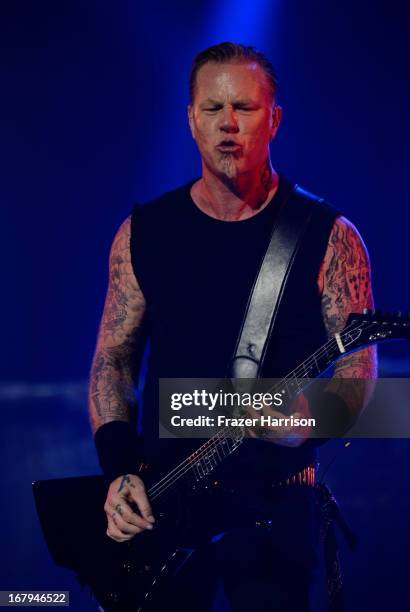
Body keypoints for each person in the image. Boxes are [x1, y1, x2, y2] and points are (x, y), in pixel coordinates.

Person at [88, 42, 377, 611]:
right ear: (190, 120)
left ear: (274, 119)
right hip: (165, 506)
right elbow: (113, 359)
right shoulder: (143, 232)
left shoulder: (329, 234)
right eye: (212, 109)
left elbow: (358, 366)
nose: (227, 125)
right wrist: (119, 470)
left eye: (243, 108)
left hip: (277, 511)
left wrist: (302, 420)